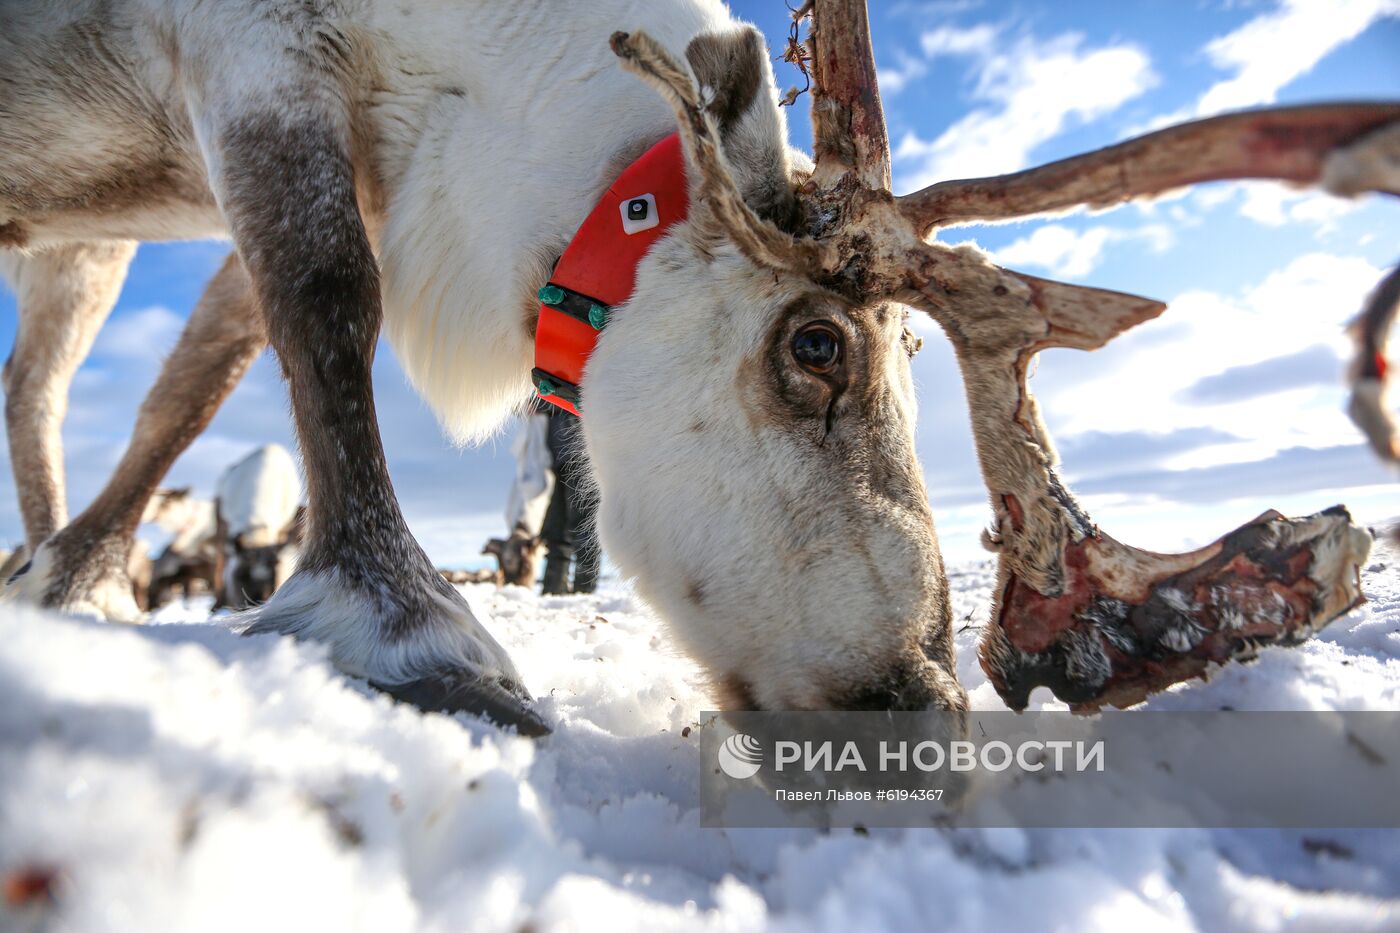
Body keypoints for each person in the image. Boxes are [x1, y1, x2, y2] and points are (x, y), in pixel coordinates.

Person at [539, 406, 601, 595]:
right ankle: (553, 590)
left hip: (583, 459)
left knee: (583, 529)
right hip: (559, 459)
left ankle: (584, 592)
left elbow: (574, 395)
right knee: (556, 530)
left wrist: (541, 405)